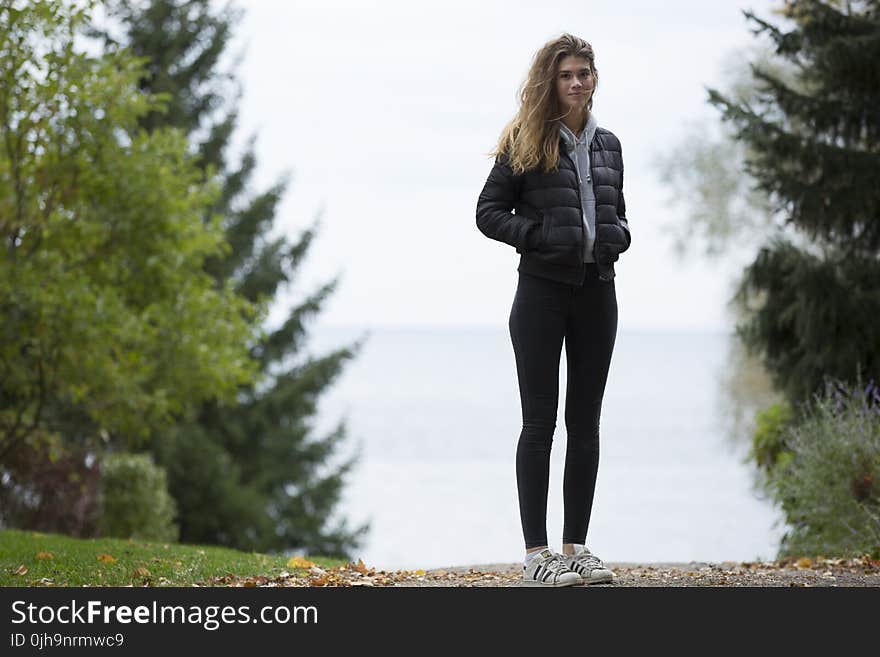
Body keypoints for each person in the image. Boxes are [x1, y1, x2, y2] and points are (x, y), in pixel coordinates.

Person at [475, 33, 631, 587]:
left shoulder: (608, 144)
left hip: (597, 293)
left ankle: (578, 548)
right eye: (567, 74)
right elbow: (488, 212)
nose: (577, 83)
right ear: (551, 80)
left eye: (584, 73)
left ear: (593, 79)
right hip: (540, 294)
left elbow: (617, 211)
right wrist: (537, 235)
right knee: (539, 423)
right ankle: (538, 556)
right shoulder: (525, 141)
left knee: (585, 421)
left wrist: (617, 235)